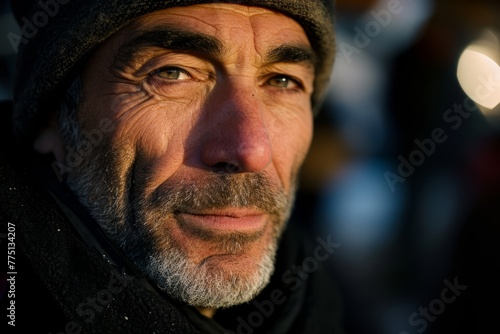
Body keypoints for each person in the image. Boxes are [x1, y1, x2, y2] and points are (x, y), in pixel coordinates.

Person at [0, 0, 344, 333]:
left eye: (282, 81)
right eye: (172, 73)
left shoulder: (326, 304)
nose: (251, 150)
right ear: (52, 119)